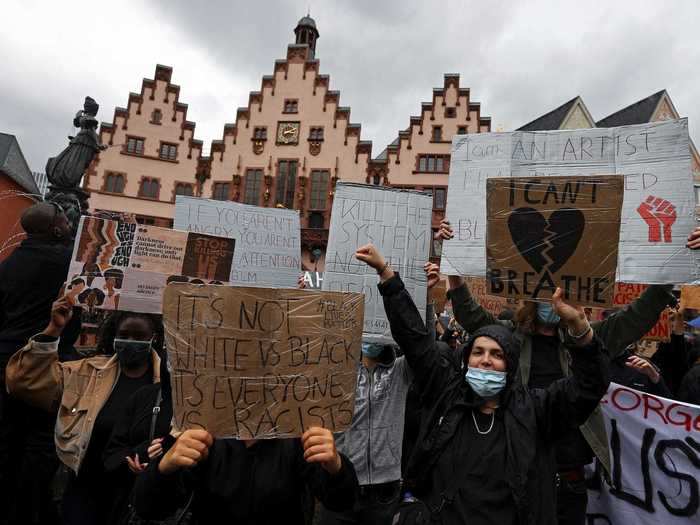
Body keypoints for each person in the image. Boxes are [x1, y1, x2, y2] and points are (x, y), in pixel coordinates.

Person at [436, 220, 700, 525]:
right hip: (514, 476)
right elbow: (470, 314)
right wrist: (453, 262)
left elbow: (638, 316)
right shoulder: (508, 339)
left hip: (569, 481)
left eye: (563, 288)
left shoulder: (588, 339)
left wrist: (678, 257)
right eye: (548, 289)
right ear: (530, 293)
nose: (554, 298)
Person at [354, 243, 610, 524]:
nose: (486, 360)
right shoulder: (446, 395)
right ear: (467, 359)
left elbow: (588, 387)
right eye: (478, 352)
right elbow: (415, 340)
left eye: (497, 354)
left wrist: (581, 329)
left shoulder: (537, 410)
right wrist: (387, 275)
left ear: (510, 365)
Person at [5, 294, 163, 525]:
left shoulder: (169, 382)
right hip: (86, 489)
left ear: (154, 338)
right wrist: (54, 328)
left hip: (137, 493)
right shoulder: (87, 372)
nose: (131, 341)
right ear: (113, 337)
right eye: (124, 336)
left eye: (139, 337)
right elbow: (23, 382)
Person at [319, 262, 441, 525]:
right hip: (341, 484)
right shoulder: (335, 372)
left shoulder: (400, 372)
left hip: (385, 492)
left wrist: (425, 300)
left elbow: (423, 347)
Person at [0, 200, 80, 525]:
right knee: (41, 444)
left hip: (6, 363)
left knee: (8, 440)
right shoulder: (66, 263)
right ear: (56, 228)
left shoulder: (8, 264)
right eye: (64, 219)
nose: (69, 224)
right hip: (47, 363)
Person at [133, 427, 359, 523]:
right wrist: (164, 467)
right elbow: (148, 507)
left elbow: (342, 501)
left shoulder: (296, 435)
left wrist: (336, 466)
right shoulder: (201, 433)